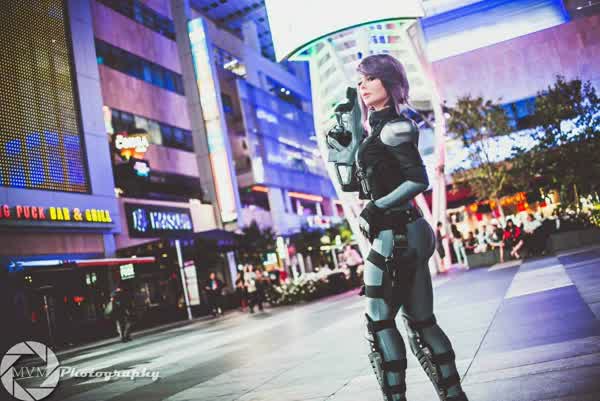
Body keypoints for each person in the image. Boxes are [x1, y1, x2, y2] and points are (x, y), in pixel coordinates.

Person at [327, 54, 468, 401]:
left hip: (396, 232)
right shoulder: (377, 130)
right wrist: (348, 148)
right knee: (421, 321)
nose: (363, 86)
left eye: (370, 78)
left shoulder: (395, 128)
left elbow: (417, 180)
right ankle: (454, 395)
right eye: (360, 80)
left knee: (380, 322)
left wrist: (376, 207)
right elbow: (365, 182)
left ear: (389, 82)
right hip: (404, 231)